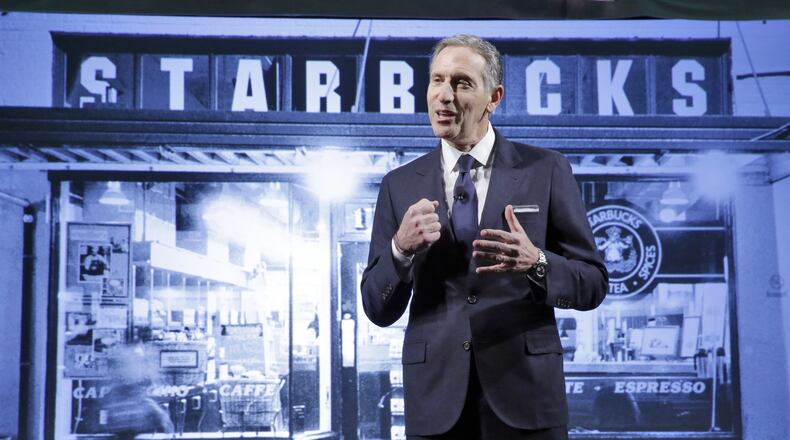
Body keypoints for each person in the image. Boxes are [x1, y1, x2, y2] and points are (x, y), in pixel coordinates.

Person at [360, 34, 608, 440]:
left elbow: (593, 283)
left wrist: (537, 263)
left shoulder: (545, 170)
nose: (443, 95)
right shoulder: (398, 185)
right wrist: (399, 250)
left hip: (527, 399)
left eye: (461, 83)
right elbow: (376, 306)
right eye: (436, 80)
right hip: (436, 403)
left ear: (494, 97)